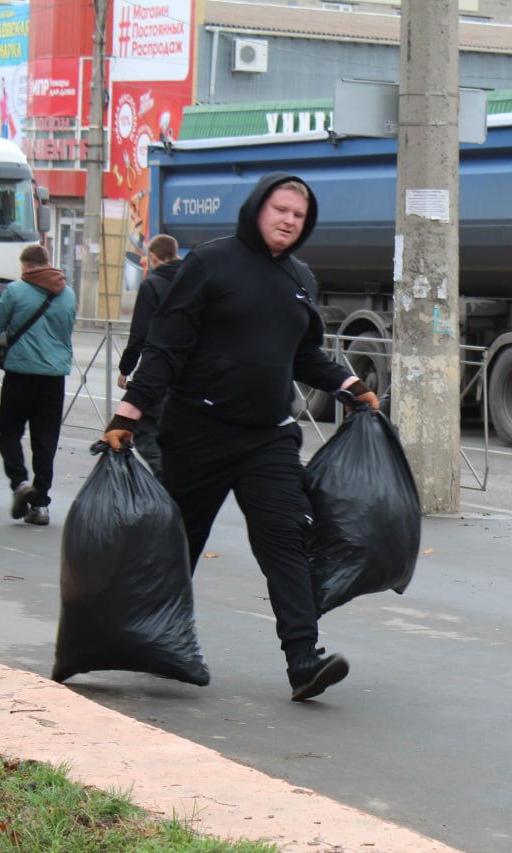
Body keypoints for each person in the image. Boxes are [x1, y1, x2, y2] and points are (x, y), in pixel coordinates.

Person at [101, 173, 379, 702]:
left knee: (286, 541)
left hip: (268, 439)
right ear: (257, 209)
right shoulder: (210, 264)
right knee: (179, 544)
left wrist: (348, 383)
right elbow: (166, 346)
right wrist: (126, 417)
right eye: (279, 209)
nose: (288, 221)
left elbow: (302, 355)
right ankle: (148, 637)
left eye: (298, 215)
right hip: (197, 433)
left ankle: (303, 659)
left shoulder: (300, 277)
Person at [0, 244, 78, 526]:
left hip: (21, 374)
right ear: (48, 263)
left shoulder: (16, 290)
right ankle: (40, 505)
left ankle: (19, 481)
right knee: (45, 439)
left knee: (8, 430)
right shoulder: (68, 293)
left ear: (25, 266)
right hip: (54, 378)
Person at [116, 234, 182, 479]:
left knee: (143, 426)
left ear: (153, 258)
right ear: (176, 254)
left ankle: (166, 475)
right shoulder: (193, 280)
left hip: (157, 369)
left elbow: (140, 333)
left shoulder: (152, 285)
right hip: (189, 371)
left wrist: (126, 368)